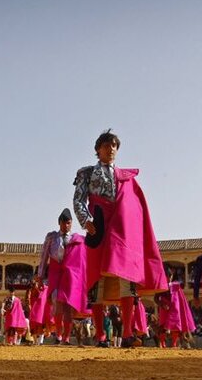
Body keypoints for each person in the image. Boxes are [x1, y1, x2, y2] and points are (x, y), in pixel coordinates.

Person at [73, 129, 168, 348]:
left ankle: (126, 333)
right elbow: (78, 200)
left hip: (122, 230)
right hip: (98, 226)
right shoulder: (86, 173)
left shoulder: (126, 178)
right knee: (97, 281)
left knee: (127, 279)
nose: (111, 149)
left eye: (114, 145)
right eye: (107, 145)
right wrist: (86, 220)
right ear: (98, 150)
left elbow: (135, 207)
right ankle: (100, 336)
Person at [37, 208, 89, 345]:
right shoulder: (51, 237)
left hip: (69, 276)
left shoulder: (77, 240)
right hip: (55, 274)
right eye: (64, 223)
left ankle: (65, 337)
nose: (66, 225)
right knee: (57, 304)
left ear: (71, 224)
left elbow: (83, 260)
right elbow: (44, 257)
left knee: (67, 307)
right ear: (59, 223)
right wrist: (40, 276)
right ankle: (59, 334)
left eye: (69, 223)